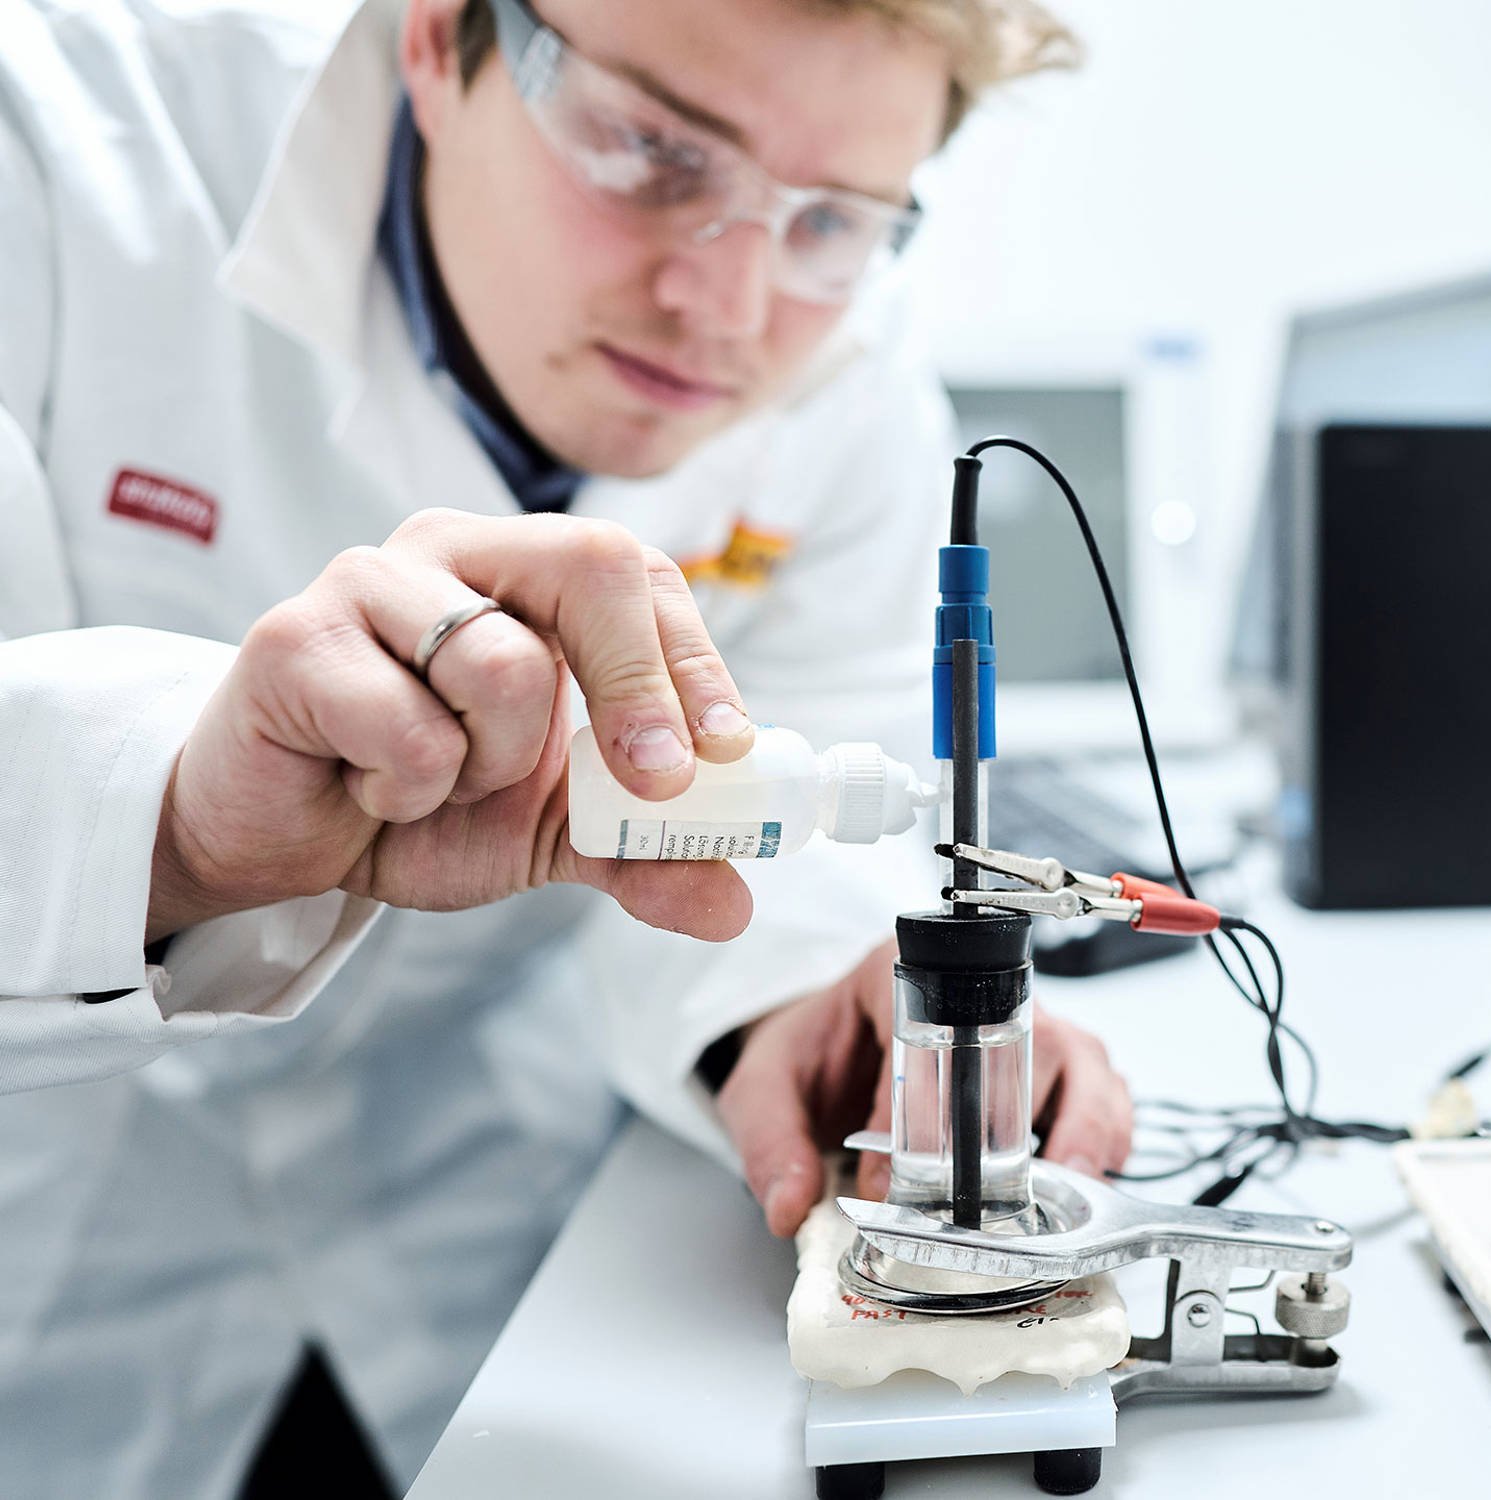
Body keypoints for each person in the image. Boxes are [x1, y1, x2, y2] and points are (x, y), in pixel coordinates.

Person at [0, 0, 1133, 1493]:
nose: (726, 305)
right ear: (434, 41)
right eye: (653, 147)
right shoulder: (60, 152)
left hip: (470, 1189)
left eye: (832, 220)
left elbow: (801, 811)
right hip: (47, 1226)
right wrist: (175, 827)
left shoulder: (845, 370)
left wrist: (795, 1006)